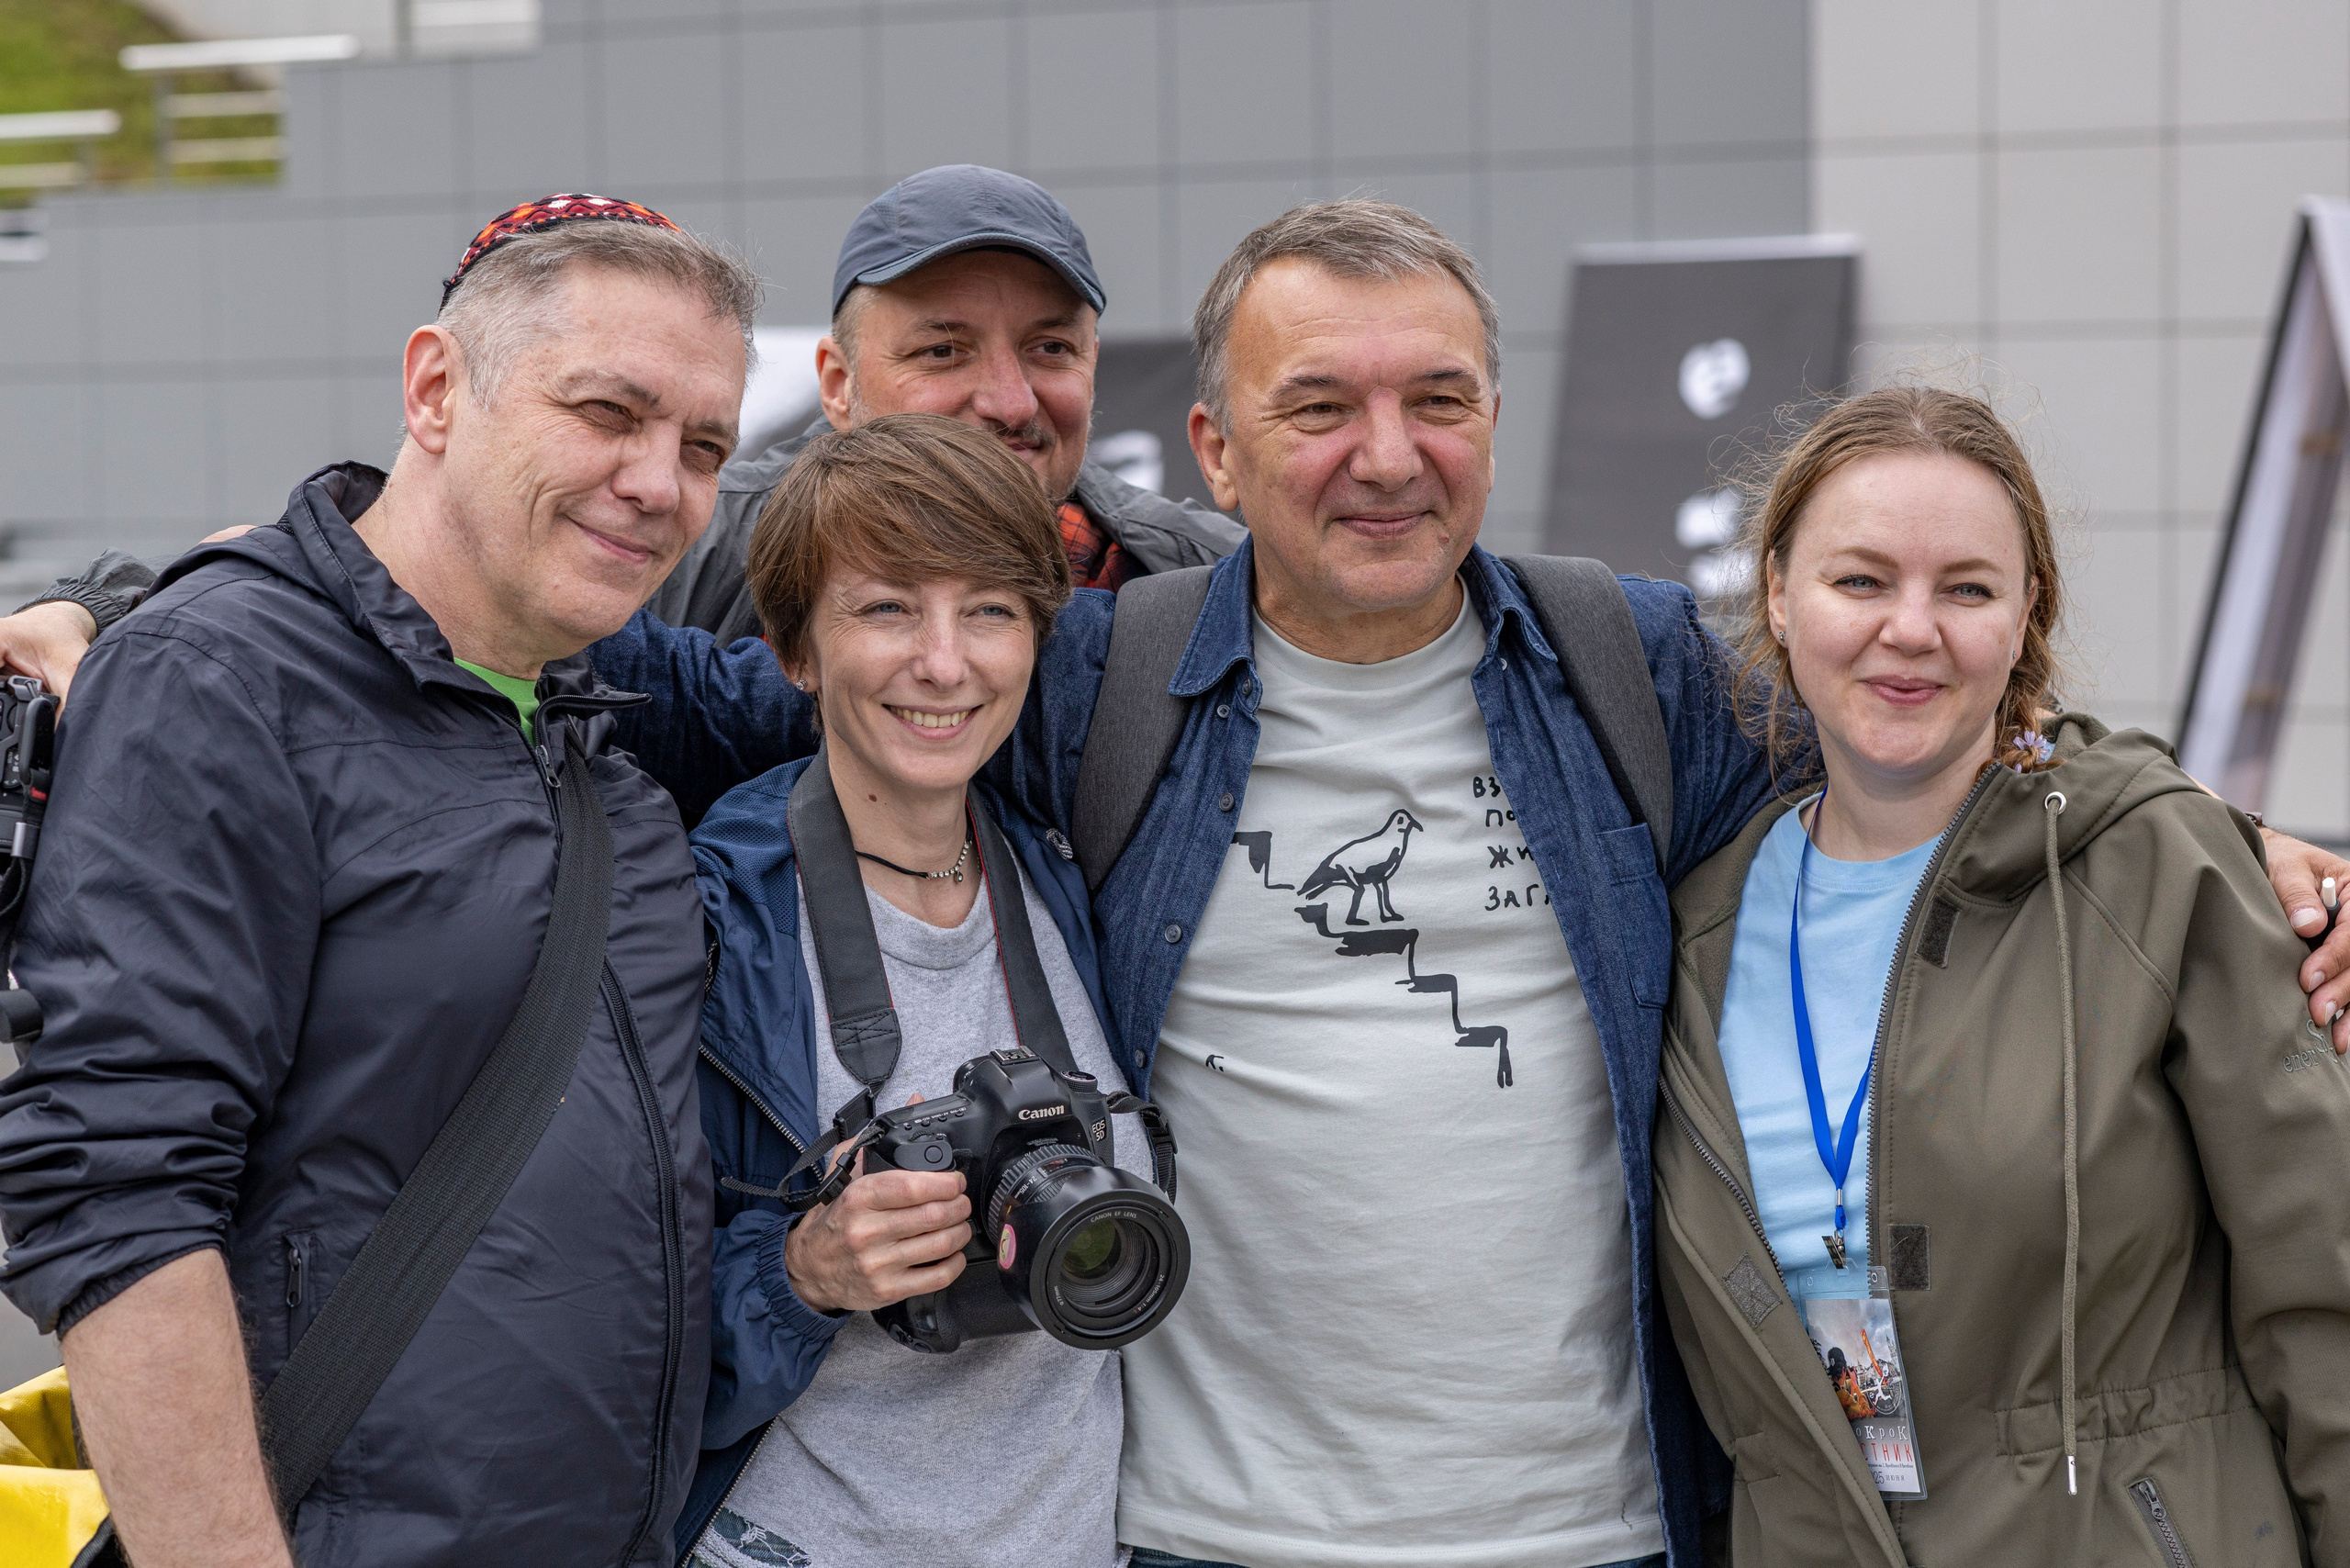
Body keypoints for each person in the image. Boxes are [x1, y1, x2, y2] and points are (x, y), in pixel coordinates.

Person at [0, 196, 759, 1566]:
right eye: (607, 412)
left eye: (704, 445)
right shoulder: (218, 679)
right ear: (434, 388)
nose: (662, 483)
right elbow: (112, 1192)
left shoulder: (602, 728)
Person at [1651, 386, 2350, 1564]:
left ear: (2027, 615)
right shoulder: (1694, 925)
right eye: (1859, 580)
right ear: (1776, 591)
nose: (1911, 629)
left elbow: (2323, 1295)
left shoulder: (2156, 871)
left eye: (1966, 588)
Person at [680, 413, 1164, 1568]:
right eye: (887, 606)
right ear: (794, 649)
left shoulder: (1070, 865)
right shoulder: (705, 919)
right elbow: (587, 1314)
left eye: (990, 609)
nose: (944, 662)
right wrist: (802, 1270)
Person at [651, 162, 1243, 643]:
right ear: (839, 385)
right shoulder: (675, 554)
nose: (1011, 404)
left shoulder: (1216, 579)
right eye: (943, 351)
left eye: (1051, 347)